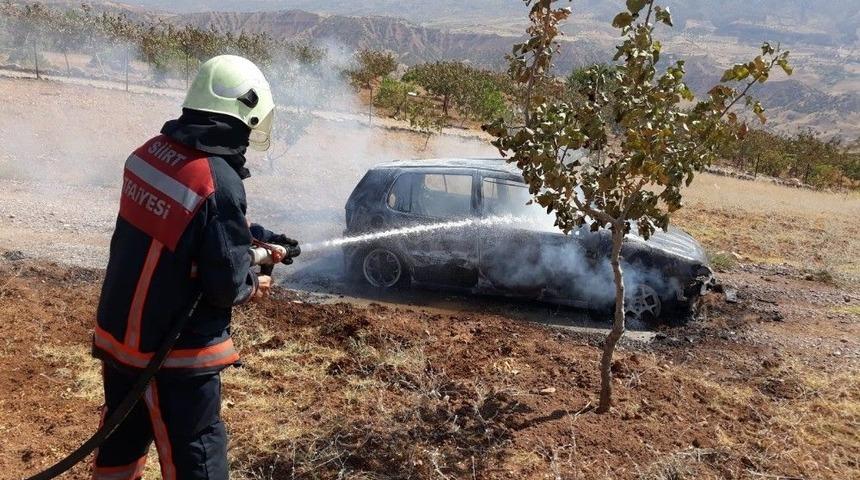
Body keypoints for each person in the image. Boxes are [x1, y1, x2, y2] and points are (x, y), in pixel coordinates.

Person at [91, 55, 298, 480]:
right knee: (198, 457)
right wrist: (252, 279)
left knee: (120, 446)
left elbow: (181, 226)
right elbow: (224, 284)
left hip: (119, 343)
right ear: (244, 114)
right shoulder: (217, 181)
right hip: (176, 358)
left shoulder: (148, 155)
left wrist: (251, 234)